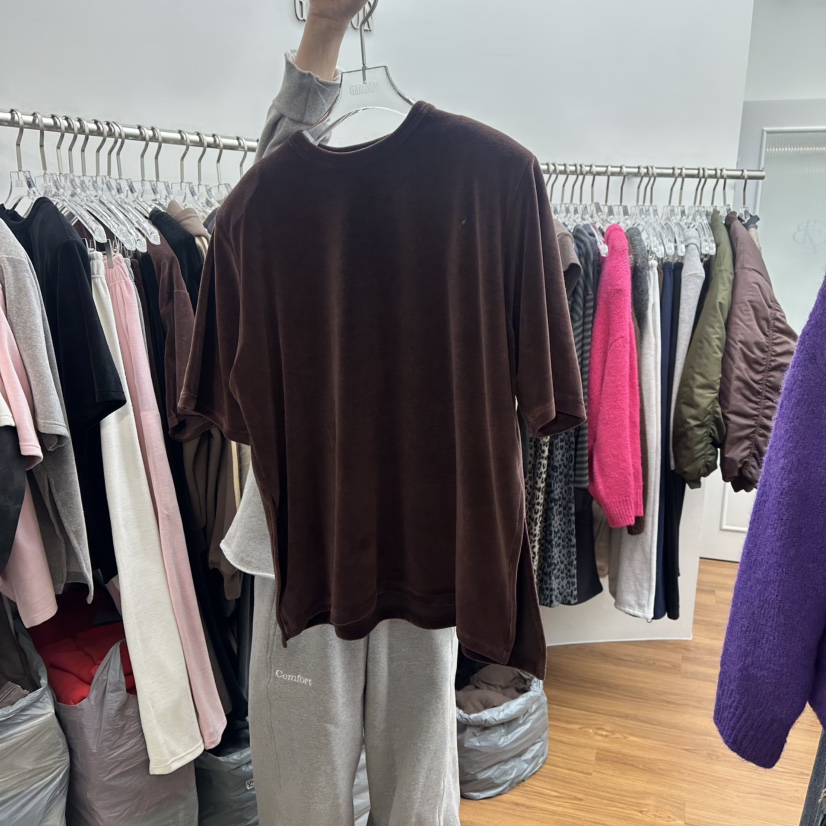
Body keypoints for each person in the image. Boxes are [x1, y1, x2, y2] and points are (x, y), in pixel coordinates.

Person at [238, 3, 463, 824]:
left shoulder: (469, 189)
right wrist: (325, 30)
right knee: (304, 780)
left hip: (420, 531)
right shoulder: (281, 195)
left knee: (419, 776)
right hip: (300, 529)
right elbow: (261, 185)